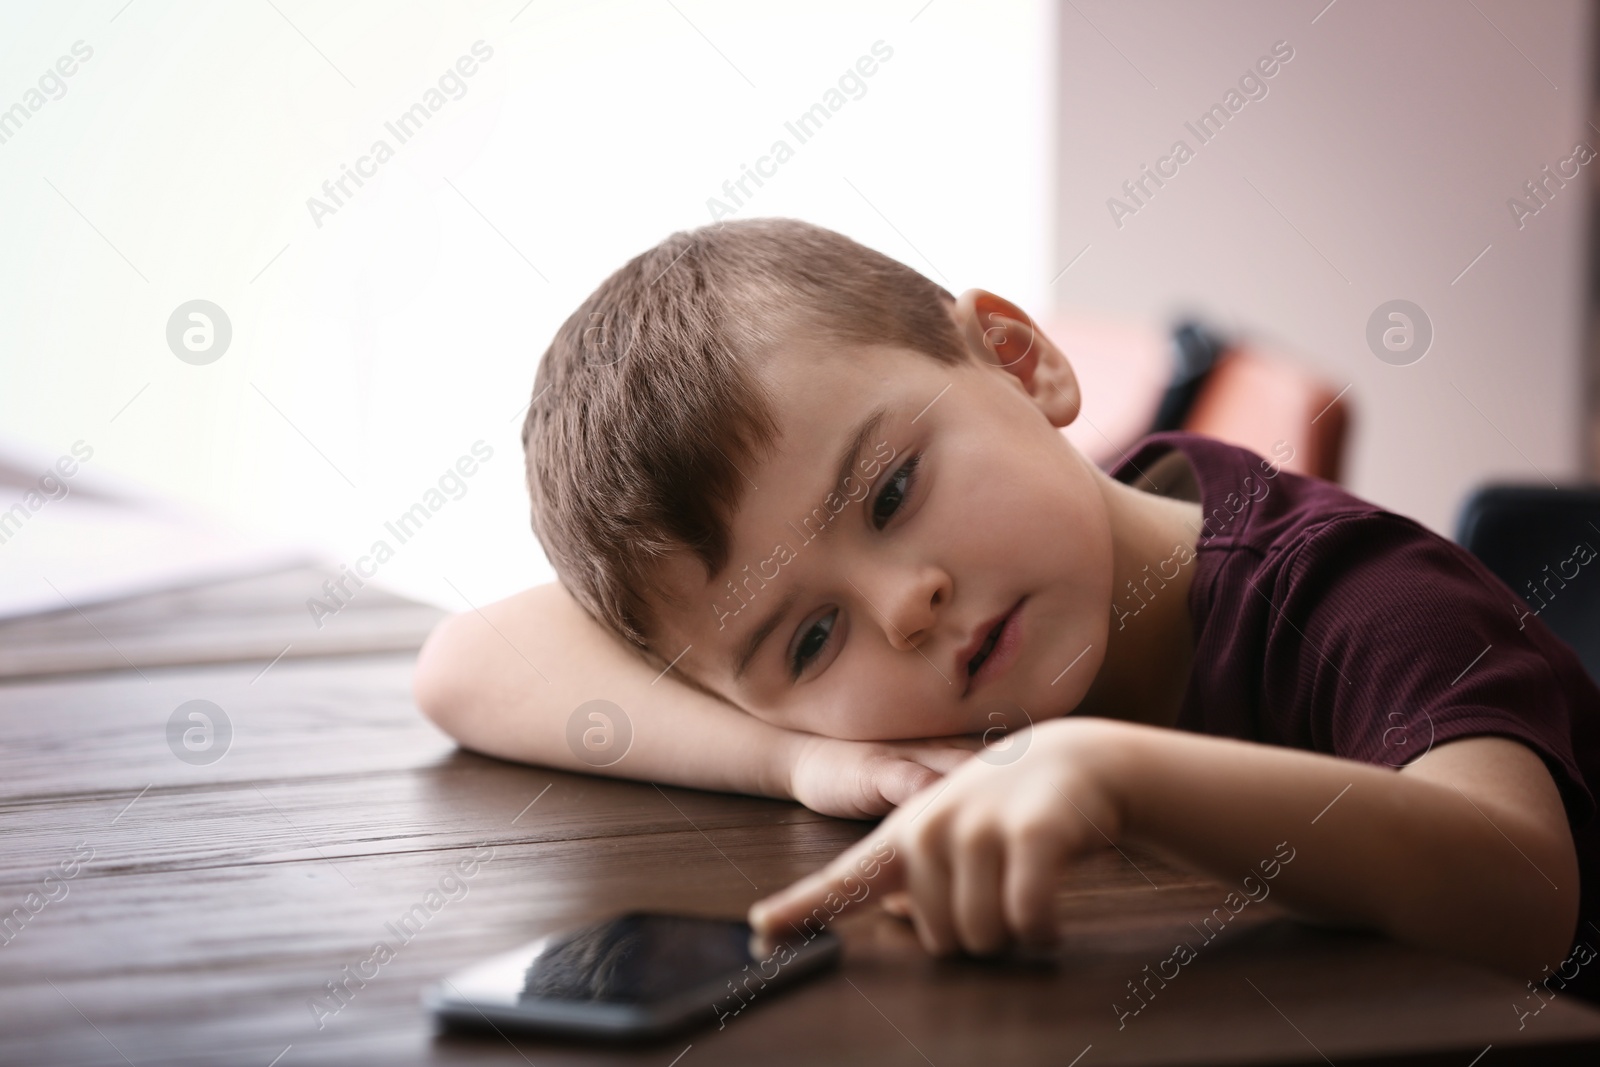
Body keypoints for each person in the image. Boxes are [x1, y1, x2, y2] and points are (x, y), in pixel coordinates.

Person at [413, 218, 1599, 996]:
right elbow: (467, 662)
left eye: (888, 492)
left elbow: (1522, 891)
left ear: (1019, 360)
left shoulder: (1357, 596)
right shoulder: (943, 661)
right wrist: (794, 760)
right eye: (810, 635)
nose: (906, 607)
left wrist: (1107, 773)